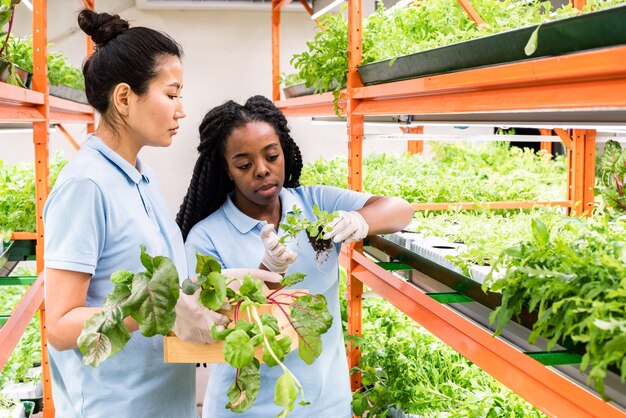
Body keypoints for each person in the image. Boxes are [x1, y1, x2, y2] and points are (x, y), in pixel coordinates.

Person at [43, 11, 279, 418]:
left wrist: (213, 286)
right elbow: (61, 327)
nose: (182, 110)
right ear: (123, 98)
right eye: (172, 94)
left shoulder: (141, 175)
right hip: (114, 408)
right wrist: (163, 307)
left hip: (165, 404)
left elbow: (154, 285)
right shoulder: (86, 186)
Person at [177, 95, 414, 417]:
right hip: (246, 410)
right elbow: (214, 325)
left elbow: (401, 209)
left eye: (272, 156)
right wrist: (267, 272)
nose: (262, 170)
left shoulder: (315, 204)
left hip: (326, 403)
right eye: (244, 165)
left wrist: (359, 220)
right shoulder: (207, 236)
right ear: (227, 170)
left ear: (284, 153)